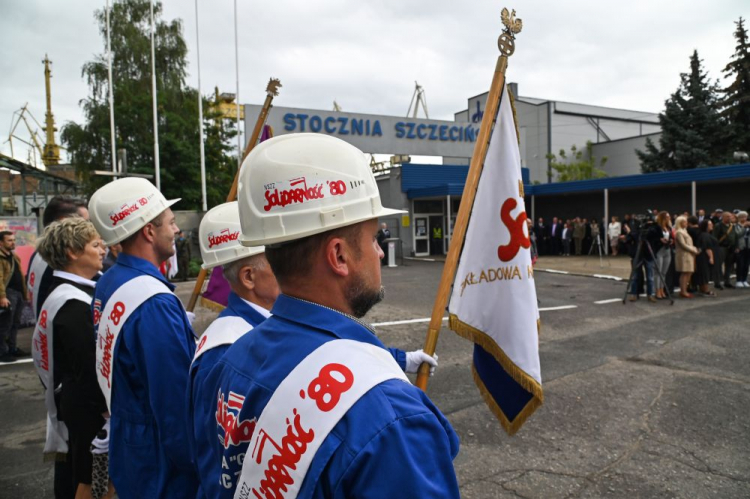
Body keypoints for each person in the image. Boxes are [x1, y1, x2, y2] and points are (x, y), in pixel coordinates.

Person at [208, 134, 459, 498]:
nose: (378, 252)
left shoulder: (234, 357)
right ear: (339, 256)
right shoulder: (389, 416)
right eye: (374, 238)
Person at [89, 177, 199, 497]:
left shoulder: (110, 280)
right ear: (149, 232)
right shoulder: (154, 304)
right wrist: (199, 465)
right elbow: (174, 405)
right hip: (162, 466)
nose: (176, 230)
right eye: (171, 222)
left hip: (132, 447)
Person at [189, 202, 280, 498]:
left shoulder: (249, 329)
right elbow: (222, 458)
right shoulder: (230, 347)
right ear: (249, 277)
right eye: (278, 260)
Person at [32, 217, 109, 497]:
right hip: (90, 407)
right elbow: (88, 366)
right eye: (95, 244)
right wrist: (107, 410)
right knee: (90, 479)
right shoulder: (72, 303)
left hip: (79, 400)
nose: (103, 250)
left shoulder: (72, 292)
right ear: (72, 253)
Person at [27, 196, 90, 321]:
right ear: (64, 222)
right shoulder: (60, 261)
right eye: (85, 223)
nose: (90, 229)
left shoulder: (40, 254)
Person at [0, 231, 28, 362]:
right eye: (9, 240)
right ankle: (2, 351)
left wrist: (24, 293)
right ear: (1, 243)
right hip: (8, 293)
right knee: (5, 324)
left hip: (18, 293)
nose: (13, 242)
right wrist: (2, 296)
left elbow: (20, 275)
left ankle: (12, 348)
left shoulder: (13, 256)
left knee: (15, 323)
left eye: (13, 240)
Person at [674, 216, 699, 298]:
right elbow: (683, 244)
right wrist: (694, 249)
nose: (686, 223)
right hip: (684, 254)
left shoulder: (684, 231)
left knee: (689, 272)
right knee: (685, 272)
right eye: (685, 222)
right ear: (680, 223)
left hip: (689, 253)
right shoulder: (679, 232)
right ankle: (683, 290)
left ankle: (684, 289)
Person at [713, 211, 738, 289]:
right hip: (721, 247)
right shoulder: (718, 226)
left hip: (730, 248)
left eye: (730, 216)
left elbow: (735, 236)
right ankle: (717, 282)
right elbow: (714, 237)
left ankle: (727, 282)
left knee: (729, 266)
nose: (730, 218)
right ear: (723, 217)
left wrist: (736, 246)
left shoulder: (732, 226)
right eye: (728, 216)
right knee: (718, 265)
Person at [653, 212, 673, 300]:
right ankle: (657, 290)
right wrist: (660, 240)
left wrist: (671, 240)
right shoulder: (657, 227)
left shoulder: (668, 227)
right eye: (667, 217)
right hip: (659, 250)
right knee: (658, 272)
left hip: (667, 249)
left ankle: (662, 289)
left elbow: (671, 236)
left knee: (664, 272)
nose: (669, 218)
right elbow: (653, 238)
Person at [695, 220, 716, 296]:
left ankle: (702, 289)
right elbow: (707, 248)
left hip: (701, 256)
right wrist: (711, 258)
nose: (712, 225)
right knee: (705, 273)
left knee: (703, 272)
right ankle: (705, 290)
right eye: (710, 224)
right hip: (704, 256)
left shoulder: (701, 234)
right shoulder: (705, 235)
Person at [735, 211, 750, 287]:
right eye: (743, 217)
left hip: (748, 247)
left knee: (746, 264)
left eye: (745, 217)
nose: (744, 218)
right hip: (740, 247)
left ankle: (744, 279)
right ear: (739, 218)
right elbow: (738, 235)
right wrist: (744, 227)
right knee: (740, 264)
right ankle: (739, 280)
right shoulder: (736, 226)